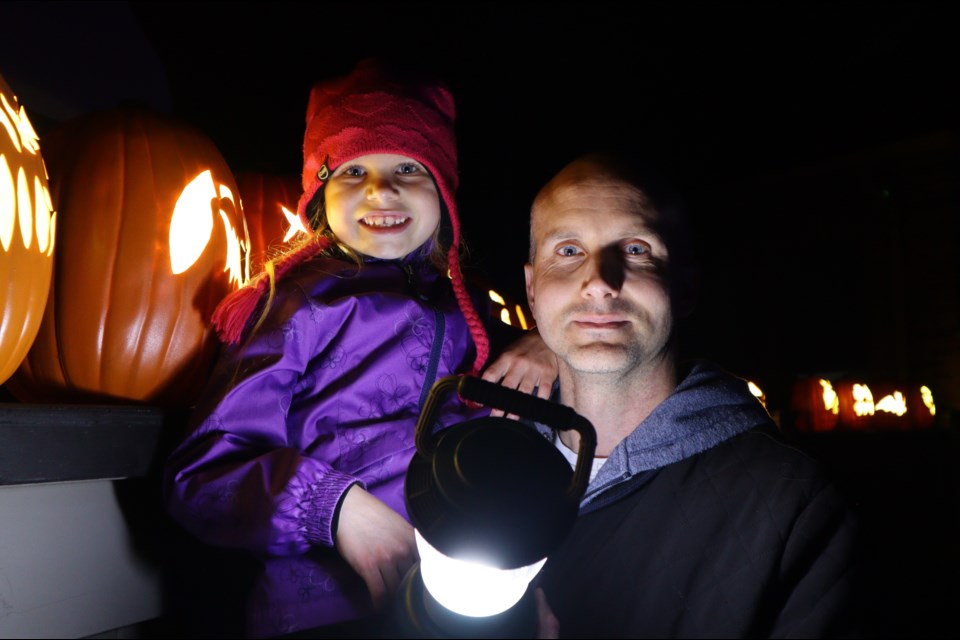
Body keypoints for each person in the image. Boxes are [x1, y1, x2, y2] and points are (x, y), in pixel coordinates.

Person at [161, 58, 554, 639]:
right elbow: (204, 475)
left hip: (464, 605)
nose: (381, 189)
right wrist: (338, 510)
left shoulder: (468, 309)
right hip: (322, 611)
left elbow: (508, 439)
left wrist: (543, 345)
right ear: (320, 197)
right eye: (351, 172)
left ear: (443, 189)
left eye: (406, 166)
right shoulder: (297, 304)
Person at [520, 151, 871, 638]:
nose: (599, 281)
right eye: (568, 251)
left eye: (636, 249)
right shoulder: (467, 457)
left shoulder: (790, 505)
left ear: (685, 286)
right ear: (533, 289)